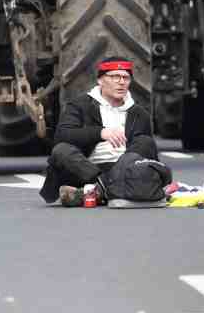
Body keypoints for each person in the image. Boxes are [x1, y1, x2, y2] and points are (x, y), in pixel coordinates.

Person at [39, 56, 171, 207]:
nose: (121, 82)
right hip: (86, 171)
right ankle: (107, 188)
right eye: (115, 76)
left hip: (125, 171)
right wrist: (100, 133)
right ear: (100, 81)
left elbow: (144, 152)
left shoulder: (139, 113)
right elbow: (63, 135)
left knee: (145, 142)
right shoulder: (78, 105)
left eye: (126, 78)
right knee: (61, 150)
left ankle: (96, 192)